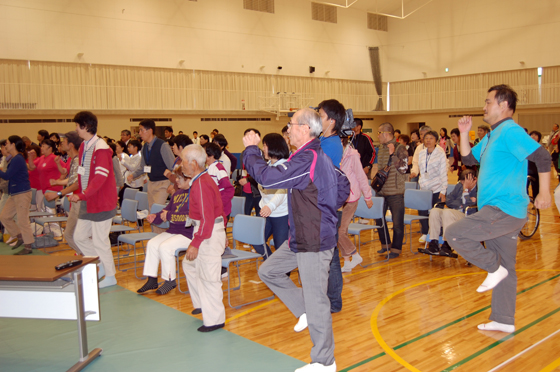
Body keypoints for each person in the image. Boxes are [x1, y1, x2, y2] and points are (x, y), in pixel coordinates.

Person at [243, 108, 350, 372]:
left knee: (318, 301)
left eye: (291, 125)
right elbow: (343, 185)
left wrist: (252, 150)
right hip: (301, 236)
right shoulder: (312, 156)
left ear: (304, 129)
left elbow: (267, 178)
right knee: (269, 270)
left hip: (313, 240)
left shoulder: (311, 157)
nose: (288, 130)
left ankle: (325, 362)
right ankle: (304, 309)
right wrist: (323, 205)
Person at [447, 84, 551, 333]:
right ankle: (504, 319)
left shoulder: (510, 131)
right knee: (508, 267)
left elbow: (543, 157)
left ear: (504, 105)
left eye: (488, 102)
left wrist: (544, 192)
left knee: (455, 233)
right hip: (498, 211)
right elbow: (470, 160)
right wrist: (464, 133)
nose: (484, 106)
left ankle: (495, 268)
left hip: (502, 210)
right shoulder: (493, 135)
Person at [180, 144, 227, 332]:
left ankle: (215, 320)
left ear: (193, 163)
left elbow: (208, 217)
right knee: (190, 265)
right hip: (208, 231)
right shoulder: (200, 180)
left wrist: (196, 243)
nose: (181, 165)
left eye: (183, 161)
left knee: (209, 277)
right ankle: (202, 303)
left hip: (207, 233)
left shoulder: (202, 183)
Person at [69, 111, 119, 289]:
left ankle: (111, 275)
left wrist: (82, 194)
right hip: (88, 201)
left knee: (100, 240)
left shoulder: (102, 147)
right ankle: (101, 265)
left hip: (102, 201)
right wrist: (77, 192)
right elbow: (83, 172)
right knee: (79, 237)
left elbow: (100, 177)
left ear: (87, 126)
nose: (76, 129)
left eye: (78, 125)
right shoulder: (84, 146)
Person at [137, 167, 194, 295]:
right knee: (152, 244)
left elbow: (189, 217)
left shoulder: (195, 194)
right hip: (173, 231)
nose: (176, 181)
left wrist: (168, 216)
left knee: (165, 247)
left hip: (188, 234)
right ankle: (151, 279)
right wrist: (155, 217)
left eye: (179, 178)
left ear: (189, 179)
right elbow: (166, 211)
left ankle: (170, 281)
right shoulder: (177, 194)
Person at [317, 99, 346, 313]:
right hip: (321, 205)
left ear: (332, 121)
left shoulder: (331, 144)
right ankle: (330, 298)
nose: (317, 119)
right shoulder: (323, 140)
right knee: (329, 254)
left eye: (321, 116)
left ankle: (334, 300)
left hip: (326, 208)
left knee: (331, 256)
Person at [128, 119, 175, 233]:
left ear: (150, 131)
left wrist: (173, 184)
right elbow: (143, 167)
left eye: (141, 130)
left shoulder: (162, 145)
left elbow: (172, 166)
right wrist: (132, 175)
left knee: (157, 212)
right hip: (151, 183)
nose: (139, 133)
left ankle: (161, 240)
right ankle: (156, 238)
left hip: (163, 183)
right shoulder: (145, 147)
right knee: (151, 214)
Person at [420, 169, 477, 257]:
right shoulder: (459, 186)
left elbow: (471, 206)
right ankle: (434, 244)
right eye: (462, 182)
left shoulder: (479, 189)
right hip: (454, 212)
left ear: (475, 180)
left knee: (447, 213)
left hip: (468, 216)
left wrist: (465, 192)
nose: (463, 184)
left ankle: (447, 245)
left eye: (466, 181)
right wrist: (462, 203)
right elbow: (449, 200)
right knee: (434, 211)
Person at [44, 131, 84, 254]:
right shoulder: (73, 160)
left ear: (71, 145)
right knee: (69, 235)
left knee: (77, 236)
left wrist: (57, 193)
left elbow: (77, 184)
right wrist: (57, 182)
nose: (61, 144)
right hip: (75, 201)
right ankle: (86, 257)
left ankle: (90, 258)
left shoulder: (78, 161)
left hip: (81, 202)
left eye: (64, 141)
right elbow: (72, 179)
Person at [251, 133, 289, 259]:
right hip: (265, 211)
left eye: (265, 145)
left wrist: (270, 205)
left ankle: (281, 274)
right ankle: (272, 266)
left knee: (281, 249)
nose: (264, 149)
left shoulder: (285, 165)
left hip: (281, 214)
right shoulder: (267, 166)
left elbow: (282, 190)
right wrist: (264, 204)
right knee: (256, 240)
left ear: (274, 147)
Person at [339, 136, 372, 272]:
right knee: (343, 231)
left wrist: (368, 196)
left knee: (339, 231)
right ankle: (347, 262)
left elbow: (361, 176)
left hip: (351, 198)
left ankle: (355, 255)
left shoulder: (352, 155)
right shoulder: (336, 154)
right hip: (339, 198)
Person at [376, 122, 409, 259]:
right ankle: (385, 245)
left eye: (379, 133)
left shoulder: (400, 148)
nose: (377, 136)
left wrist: (392, 154)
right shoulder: (380, 148)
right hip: (381, 191)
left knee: (397, 223)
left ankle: (396, 249)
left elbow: (404, 168)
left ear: (386, 133)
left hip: (395, 192)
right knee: (379, 220)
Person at [0, 136, 35, 255]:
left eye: (8, 143)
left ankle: (28, 246)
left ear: (13, 144)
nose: (6, 145)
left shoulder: (18, 159)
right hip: (15, 193)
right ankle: (19, 236)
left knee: (22, 220)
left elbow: (6, 176)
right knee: (4, 216)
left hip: (22, 192)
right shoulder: (15, 158)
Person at [417, 130, 448, 242]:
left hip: (437, 188)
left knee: (436, 214)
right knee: (422, 212)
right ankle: (425, 232)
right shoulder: (421, 153)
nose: (428, 140)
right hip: (424, 189)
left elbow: (443, 173)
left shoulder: (440, 154)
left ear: (436, 141)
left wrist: (443, 191)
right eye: (426, 138)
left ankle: (437, 236)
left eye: (431, 138)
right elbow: (421, 170)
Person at [528, 131, 542, 198]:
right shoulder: (525, 146)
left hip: (536, 171)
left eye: (536, 135)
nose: (533, 136)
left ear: (539, 138)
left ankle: (536, 205)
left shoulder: (540, 148)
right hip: (526, 171)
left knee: (536, 189)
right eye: (532, 135)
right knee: (524, 188)